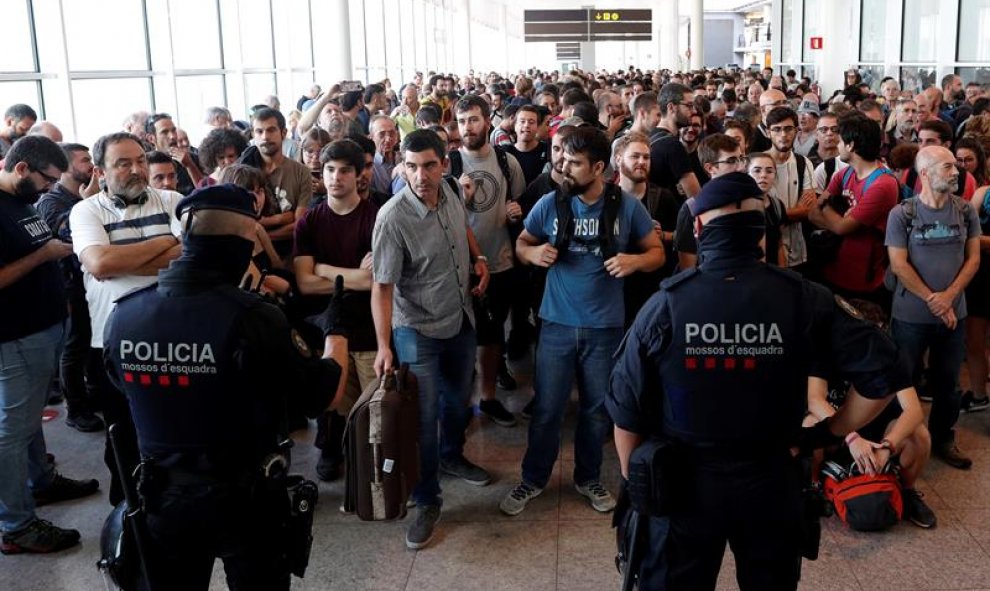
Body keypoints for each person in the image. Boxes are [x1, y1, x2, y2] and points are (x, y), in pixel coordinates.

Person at [608, 172, 907, 590]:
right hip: (773, 478)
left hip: (683, 484)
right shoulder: (804, 297)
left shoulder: (665, 305)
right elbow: (883, 373)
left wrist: (637, 483)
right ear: (761, 232)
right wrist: (827, 433)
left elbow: (626, 409)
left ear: (698, 229)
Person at [103, 184, 350, 589]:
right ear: (245, 241)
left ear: (186, 239)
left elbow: (122, 387)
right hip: (246, 500)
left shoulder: (125, 315)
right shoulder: (254, 317)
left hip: (163, 498)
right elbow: (324, 395)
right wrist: (336, 329)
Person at [502, 126, 662, 517]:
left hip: (606, 328)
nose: (564, 168)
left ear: (599, 168)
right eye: (563, 160)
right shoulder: (551, 203)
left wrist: (635, 261)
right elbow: (521, 243)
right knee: (548, 409)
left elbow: (656, 251)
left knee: (596, 410)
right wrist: (532, 253)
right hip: (555, 324)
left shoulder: (625, 206)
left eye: (574, 163)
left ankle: (587, 477)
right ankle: (533, 478)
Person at [371, 129, 492, 550]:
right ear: (402, 167)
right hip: (416, 329)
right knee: (422, 418)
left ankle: (451, 455)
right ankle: (426, 498)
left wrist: (478, 258)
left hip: (459, 318)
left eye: (429, 165)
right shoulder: (392, 217)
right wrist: (384, 345)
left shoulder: (453, 193)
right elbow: (382, 286)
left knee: (459, 400)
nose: (420, 175)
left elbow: (463, 231)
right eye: (411, 166)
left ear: (444, 164)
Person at [69, 132, 184, 505]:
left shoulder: (173, 200)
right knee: (123, 430)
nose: (136, 170)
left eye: (139, 161)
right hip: (114, 341)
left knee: (173, 425)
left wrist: (125, 257)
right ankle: (127, 509)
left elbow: (193, 255)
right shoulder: (86, 211)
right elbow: (100, 263)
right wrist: (167, 242)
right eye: (123, 163)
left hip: (174, 337)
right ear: (101, 172)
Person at [0, 136, 100, 555]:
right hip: (15, 336)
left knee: (26, 424)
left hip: (42, 330)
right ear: (22, 168)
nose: (49, 189)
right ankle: (16, 525)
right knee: (12, 431)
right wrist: (44, 257)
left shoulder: (22, 202)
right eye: (47, 180)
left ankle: (39, 482)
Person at [886, 146, 982, 470]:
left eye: (955, 167)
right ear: (925, 173)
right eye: (947, 167)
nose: (956, 172)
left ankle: (943, 437)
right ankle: (906, 439)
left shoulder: (966, 211)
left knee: (949, 383)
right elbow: (899, 265)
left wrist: (949, 297)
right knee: (904, 379)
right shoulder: (903, 214)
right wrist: (934, 300)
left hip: (954, 315)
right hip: (910, 317)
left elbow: (973, 259)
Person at [35, 142, 104, 432]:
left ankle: (93, 395)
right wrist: (87, 204)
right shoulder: (52, 201)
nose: (91, 165)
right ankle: (75, 409)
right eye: (84, 160)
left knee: (90, 342)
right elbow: (72, 236)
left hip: (88, 283)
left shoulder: (81, 195)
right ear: (66, 167)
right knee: (75, 348)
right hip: (67, 285)